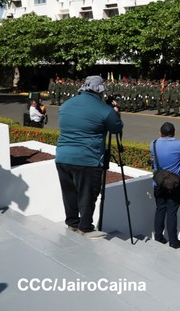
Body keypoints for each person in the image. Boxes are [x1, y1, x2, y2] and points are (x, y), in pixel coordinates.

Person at [55, 75, 123, 238]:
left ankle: (72, 222)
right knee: (88, 193)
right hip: (87, 158)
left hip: (63, 157)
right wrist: (115, 111)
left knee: (69, 192)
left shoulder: (66, 105)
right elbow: (116, 128)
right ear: (100, 91)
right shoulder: (104, 109)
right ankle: (85, 227)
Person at [150, 122, 180, 248]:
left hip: (158, 183)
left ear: (160, 133)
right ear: (174, 132)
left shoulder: (153, 144)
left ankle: (158, 237)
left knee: (160, 209)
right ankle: (173, 240)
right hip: (174, 184)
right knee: (172, 212)